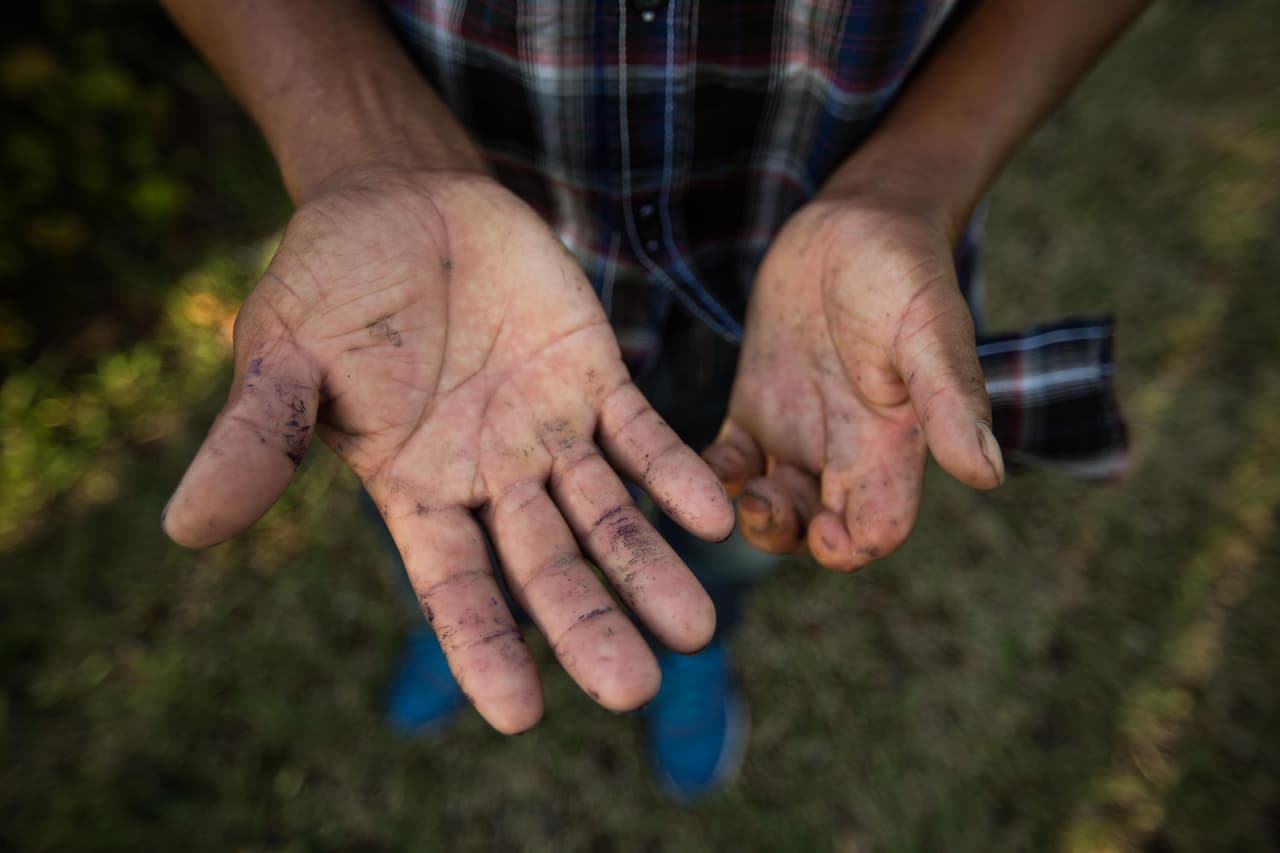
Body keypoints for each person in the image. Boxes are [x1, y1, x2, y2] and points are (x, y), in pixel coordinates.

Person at [157, 0, 1138, 798]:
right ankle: (454, 616)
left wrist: (911, 181)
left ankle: (699, 639)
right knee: (450, 511)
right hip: (454, 305)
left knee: (738, 520)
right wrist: (372, 155)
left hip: (800, 292)